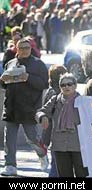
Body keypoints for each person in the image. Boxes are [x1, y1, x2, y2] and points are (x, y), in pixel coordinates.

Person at [36, 73, 92, 190]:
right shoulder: (56, 100)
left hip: (79, 145)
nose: (66, 87)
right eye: (63, 85)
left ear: (75, 85)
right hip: (59, 145)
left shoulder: (83, 101)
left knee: (83, 177)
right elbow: (40, 111)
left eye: (69, 84)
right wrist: (42, 117)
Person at [0, 39, 49, 176]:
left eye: (27, 47)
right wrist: (3, 81)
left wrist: (28, 77)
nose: (24, 50)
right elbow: (5, 85)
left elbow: (44, 84)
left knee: (32, 138)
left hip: (29, 108)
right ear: (16, 49)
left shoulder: (38, 64)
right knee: (9, 138)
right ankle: (10, 165)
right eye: (21, 47)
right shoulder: (10, 63)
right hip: (11, 107)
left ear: (31, 48)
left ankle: (42, 154)